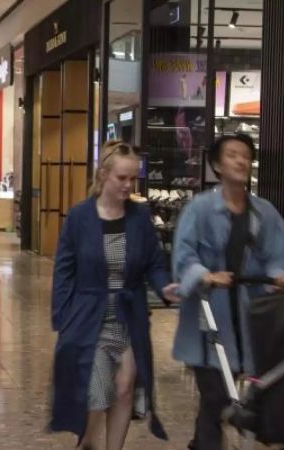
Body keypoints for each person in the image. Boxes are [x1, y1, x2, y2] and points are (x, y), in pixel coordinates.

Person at [49, 140, 180, 449]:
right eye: (122, 177)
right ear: (104, 174)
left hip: (127, 317)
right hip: (89, 316)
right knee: (96, 392)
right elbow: (63, 272)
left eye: (133, 178)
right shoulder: (80, 218)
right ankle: (87, 443)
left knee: (123, 388)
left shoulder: (139, 218)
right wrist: (63, 319)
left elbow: (153, 263)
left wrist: (164, 286)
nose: (128, 184)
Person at [171, 134, 284, 450]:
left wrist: (278, 276)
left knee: (235, 393)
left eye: (245, 156)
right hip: (209, 315)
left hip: (247, 314)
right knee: (216, 394)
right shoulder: (199, 209)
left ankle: (202, 444)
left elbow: (275, 254)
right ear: (217, 165)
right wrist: (206, 275)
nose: (241, 161)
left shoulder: (263, 212)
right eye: (232, 155)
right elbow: (184, 256)